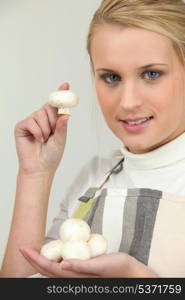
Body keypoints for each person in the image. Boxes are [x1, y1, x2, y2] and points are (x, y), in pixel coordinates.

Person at [1, 0, 185, 278]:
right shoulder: (92, 179)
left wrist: (139, 282)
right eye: (111, 77)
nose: (128, 102)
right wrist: (34, 174)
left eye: (151, 74)